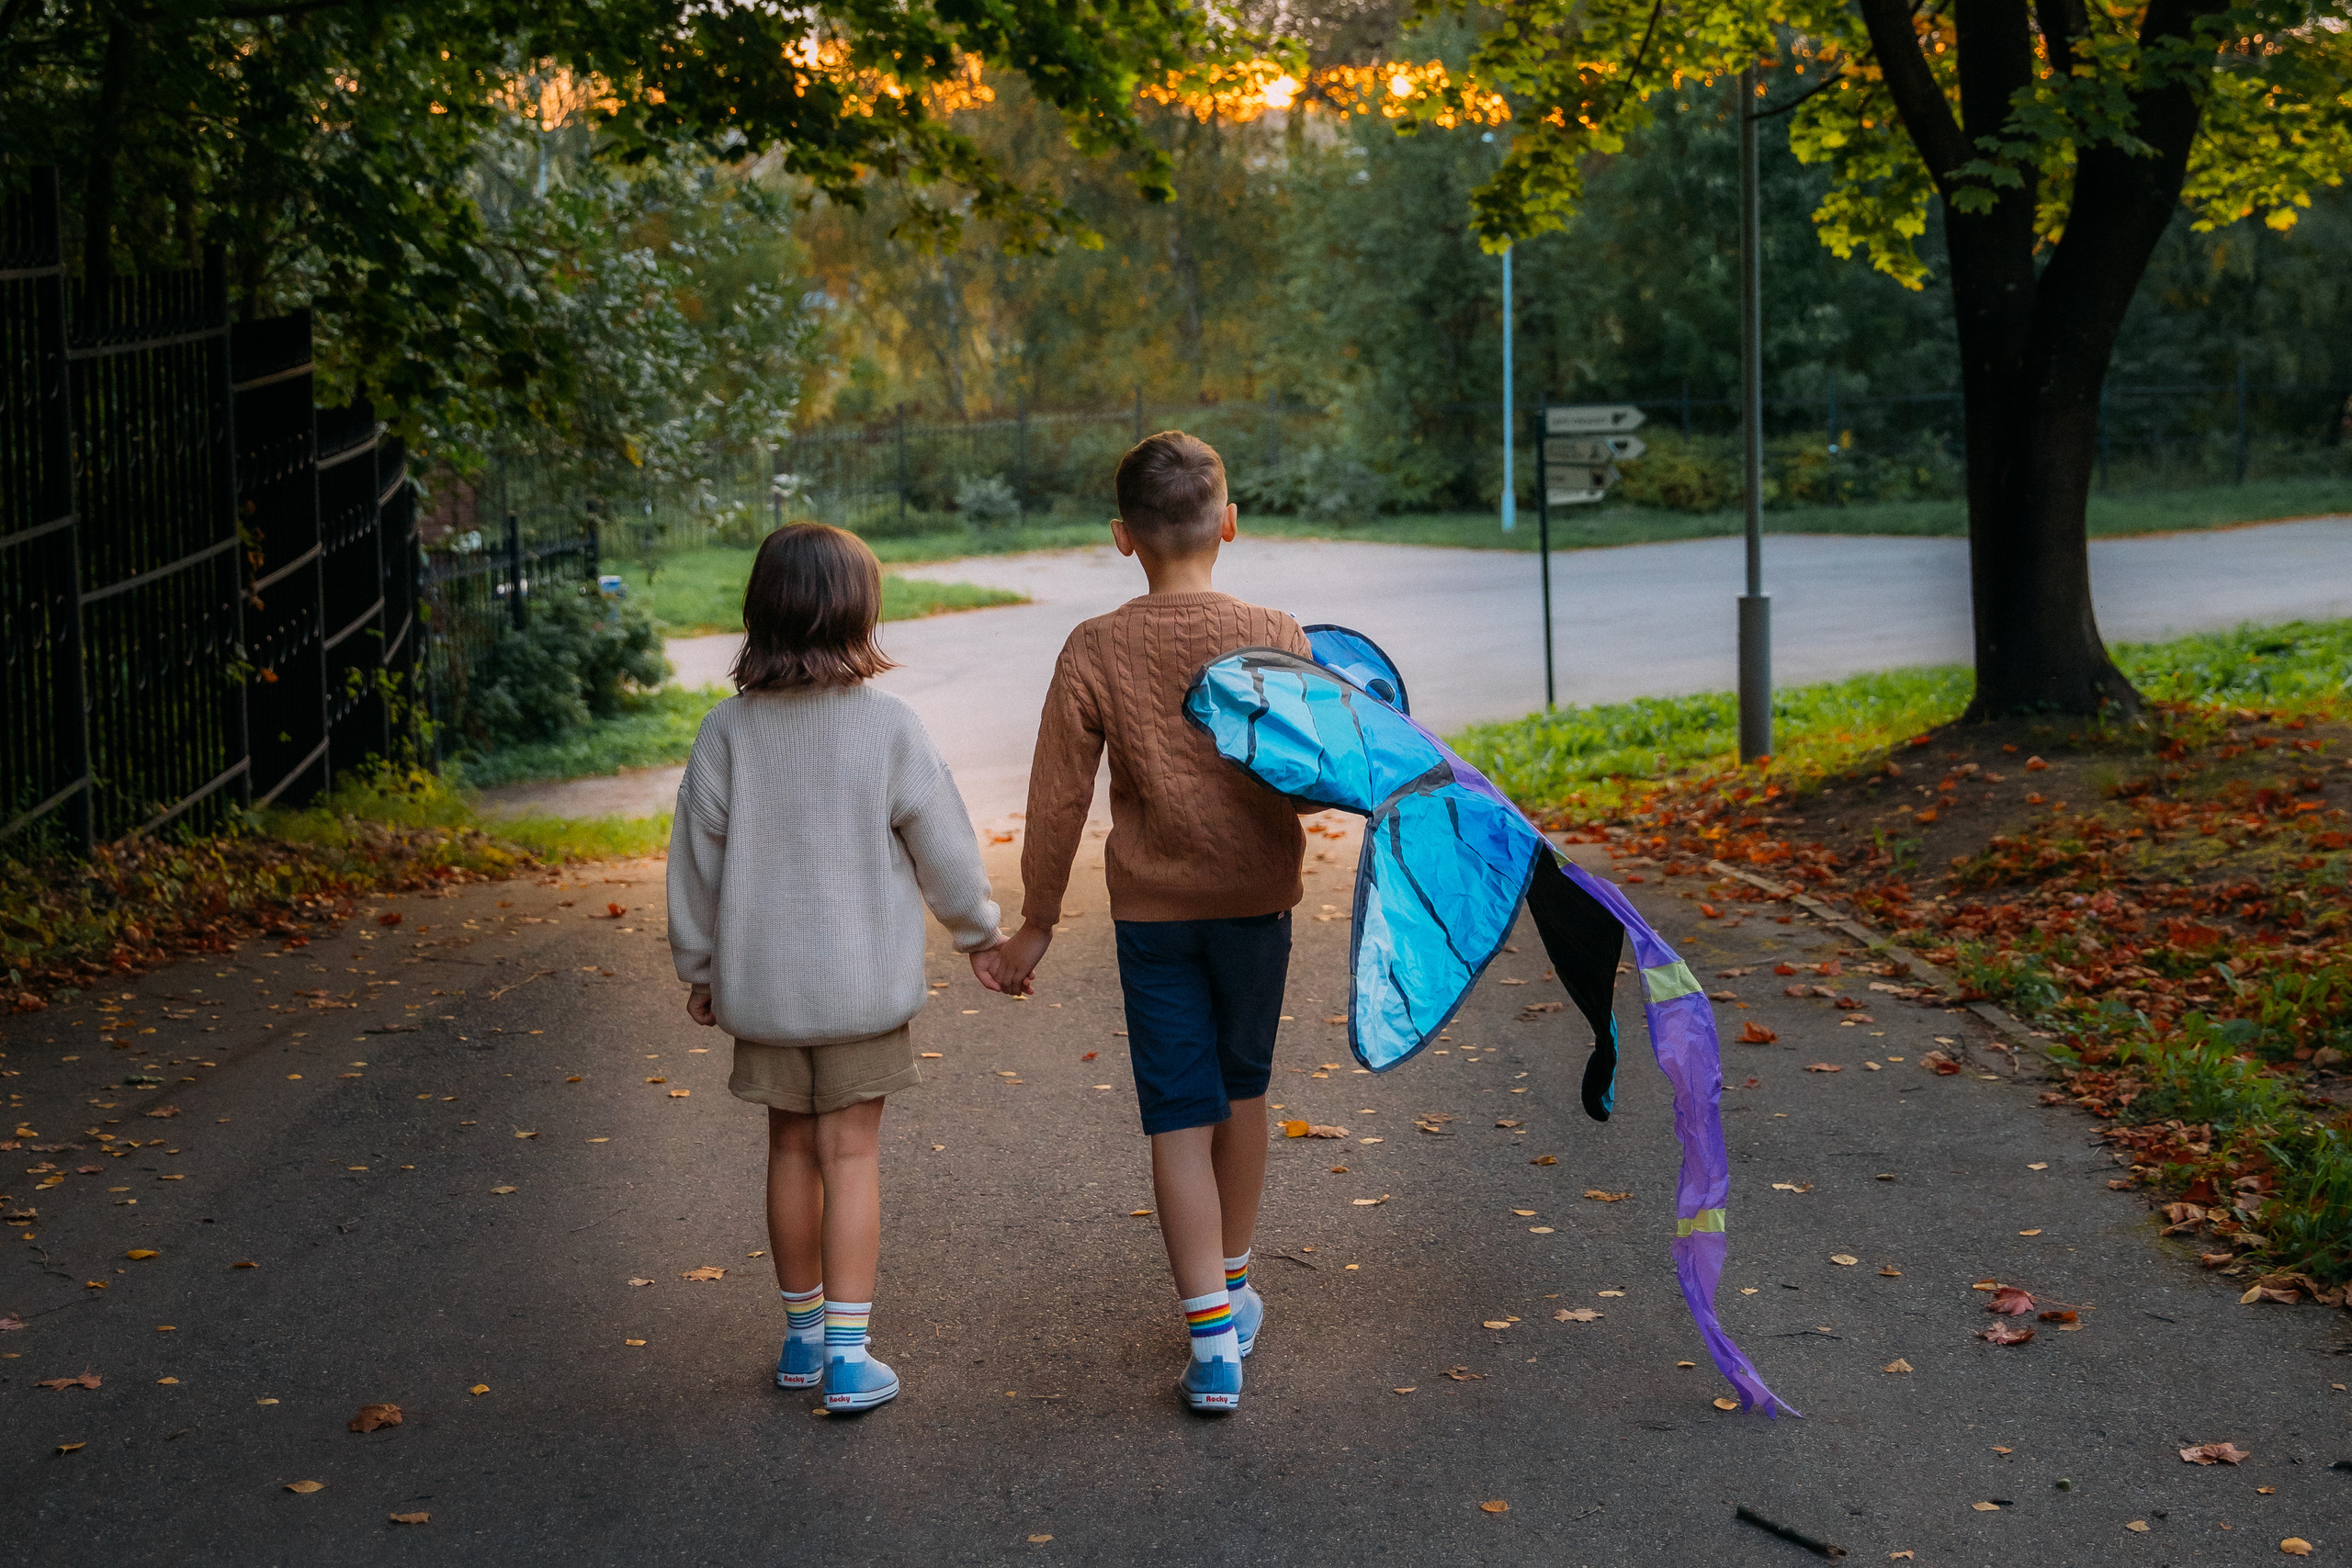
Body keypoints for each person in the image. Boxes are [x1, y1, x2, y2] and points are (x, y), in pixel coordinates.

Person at [983, 432, 1311, 1414]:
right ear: (1230, 521)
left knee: (1178, 1110)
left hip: (1154, 917)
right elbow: (1305, 781)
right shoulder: (1277, 630)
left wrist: (1036, 922)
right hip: (1256, 905)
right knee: (1243, 1087)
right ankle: (1238, 1281)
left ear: (1122, 538)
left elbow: (1055, 800)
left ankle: (1212, 1343)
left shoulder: (1094, 647)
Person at [669, 523, 1002, 1414]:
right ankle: (851, 1359)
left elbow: (695, 861)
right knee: (851, 1154)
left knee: (788, 1148)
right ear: (861, 612)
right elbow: (946, 848)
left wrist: (699, 968)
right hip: (861, 992)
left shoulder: (726, 733)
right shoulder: (889, 728)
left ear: (759, 614)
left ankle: (801, 1338)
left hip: (766, 990)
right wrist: (980, 935)